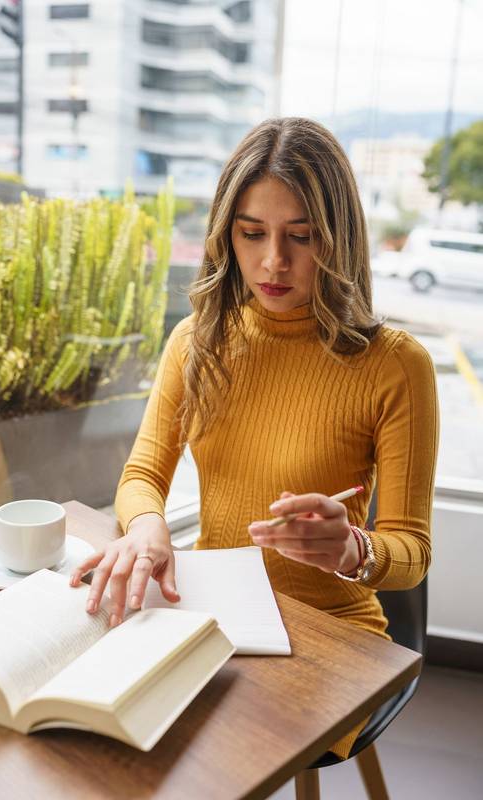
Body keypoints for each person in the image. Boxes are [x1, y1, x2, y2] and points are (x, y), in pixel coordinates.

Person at [70, 117, 439, 760]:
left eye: (302, 236)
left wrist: (351, 549)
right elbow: (141, 478)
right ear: (225, 234)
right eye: (252, 233)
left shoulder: (395, 365)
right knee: (108, 733)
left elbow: (411, 552)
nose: (274, 261)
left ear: (341, 239)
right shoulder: (197, 342)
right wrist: (147, 527)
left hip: (333, 633)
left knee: (212, 755)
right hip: (217, 614)